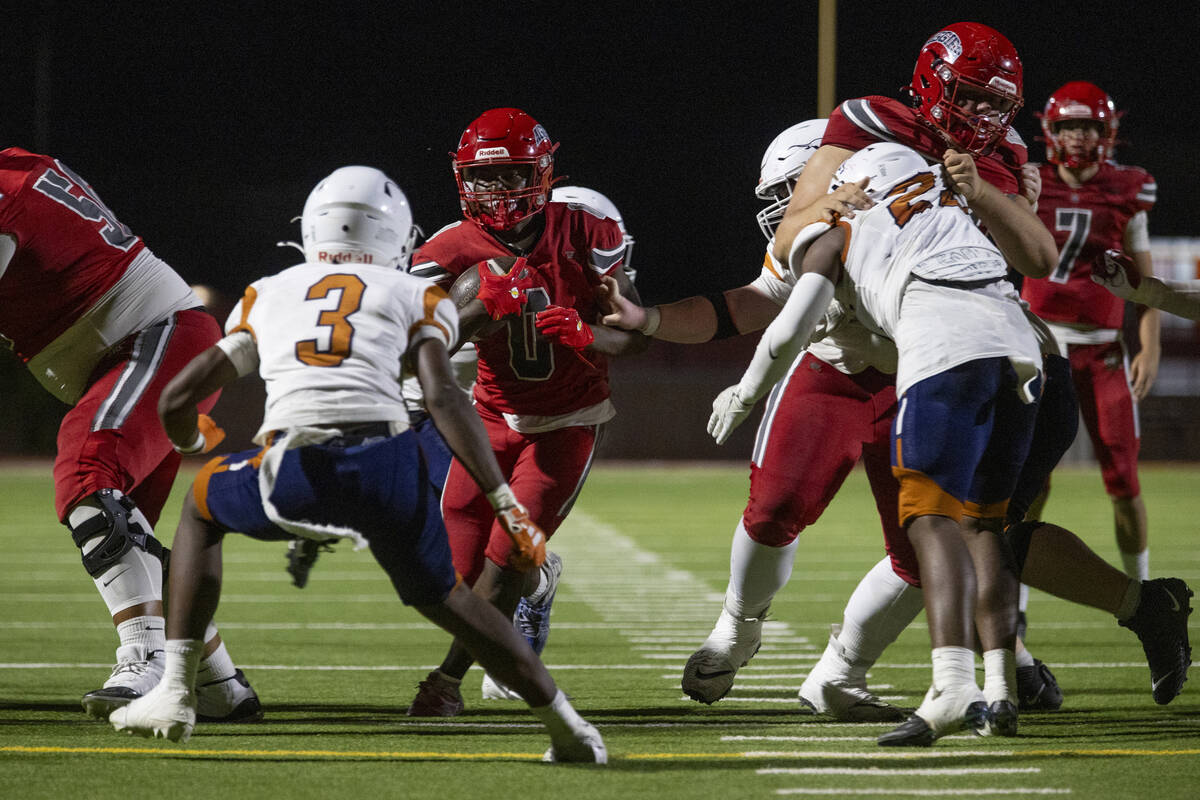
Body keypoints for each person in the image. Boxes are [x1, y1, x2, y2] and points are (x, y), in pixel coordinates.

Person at [106, 166, 607, 763]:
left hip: (296, 466)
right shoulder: (416, 294)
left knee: (200, 508)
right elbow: (445, 399)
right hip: (388, 466)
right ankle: (569, 728)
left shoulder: (270, 291)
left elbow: (174, 399)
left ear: (311, 229)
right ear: (397, 237)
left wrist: (191, 438)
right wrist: (506, 504)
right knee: (454, 601)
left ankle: (175, 691)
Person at [715, 142, 1046, 745]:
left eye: (804, 190)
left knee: (929, 524)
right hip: (1026, 352)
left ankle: (951, 686)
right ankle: (1001, 688)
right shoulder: (948, 203)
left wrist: (745, 391)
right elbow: (1040, 255)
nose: (796, 205)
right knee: (983, 528)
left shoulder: (841, 222)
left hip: (943, 356)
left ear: (850, 181)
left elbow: (788, 322)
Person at [602, 119, 917, 721]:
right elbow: (752, 303)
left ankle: (841, 674)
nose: (785, 213)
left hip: (919, 379)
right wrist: (647, 319)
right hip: (833, 371)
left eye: (792, 193)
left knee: (923, 546)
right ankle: (737, 626)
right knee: (773, 510)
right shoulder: (813, 237)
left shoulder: (906, 215)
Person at [403, 109, 647, 717]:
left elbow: (635, 334)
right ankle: (537, 584)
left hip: (570, 418)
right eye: (485, 178)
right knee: (459, 578)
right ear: (462, 180)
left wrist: (589, 333)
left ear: (543, 171)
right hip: (490, 415)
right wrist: (468, 311)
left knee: (508, 553)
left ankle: (446, 680)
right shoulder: (448, 249)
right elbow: (415, 351)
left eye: (513, 174)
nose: (499, 191)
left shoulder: (586, 229)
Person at [0, 147, 258, 720]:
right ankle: (219, 682)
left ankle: (145, 657)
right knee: (121, 528)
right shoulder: (22, 165)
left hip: (152, 337)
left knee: (87, 476)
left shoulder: (8, 190)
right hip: (139, 346)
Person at [1020, 81, 1160, 581]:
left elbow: (1144, 281)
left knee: (1123, 480)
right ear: (1050, 129)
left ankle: (1145, 591)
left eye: (1089, 126)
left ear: (1107, 131)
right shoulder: (1028, 181)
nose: (1078, 136)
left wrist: (1150, 341)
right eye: (1069, 126)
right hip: (1037, 348)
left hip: (1102, 352)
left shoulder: (1127, 189)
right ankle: (1013, 600)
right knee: (1029, 482)